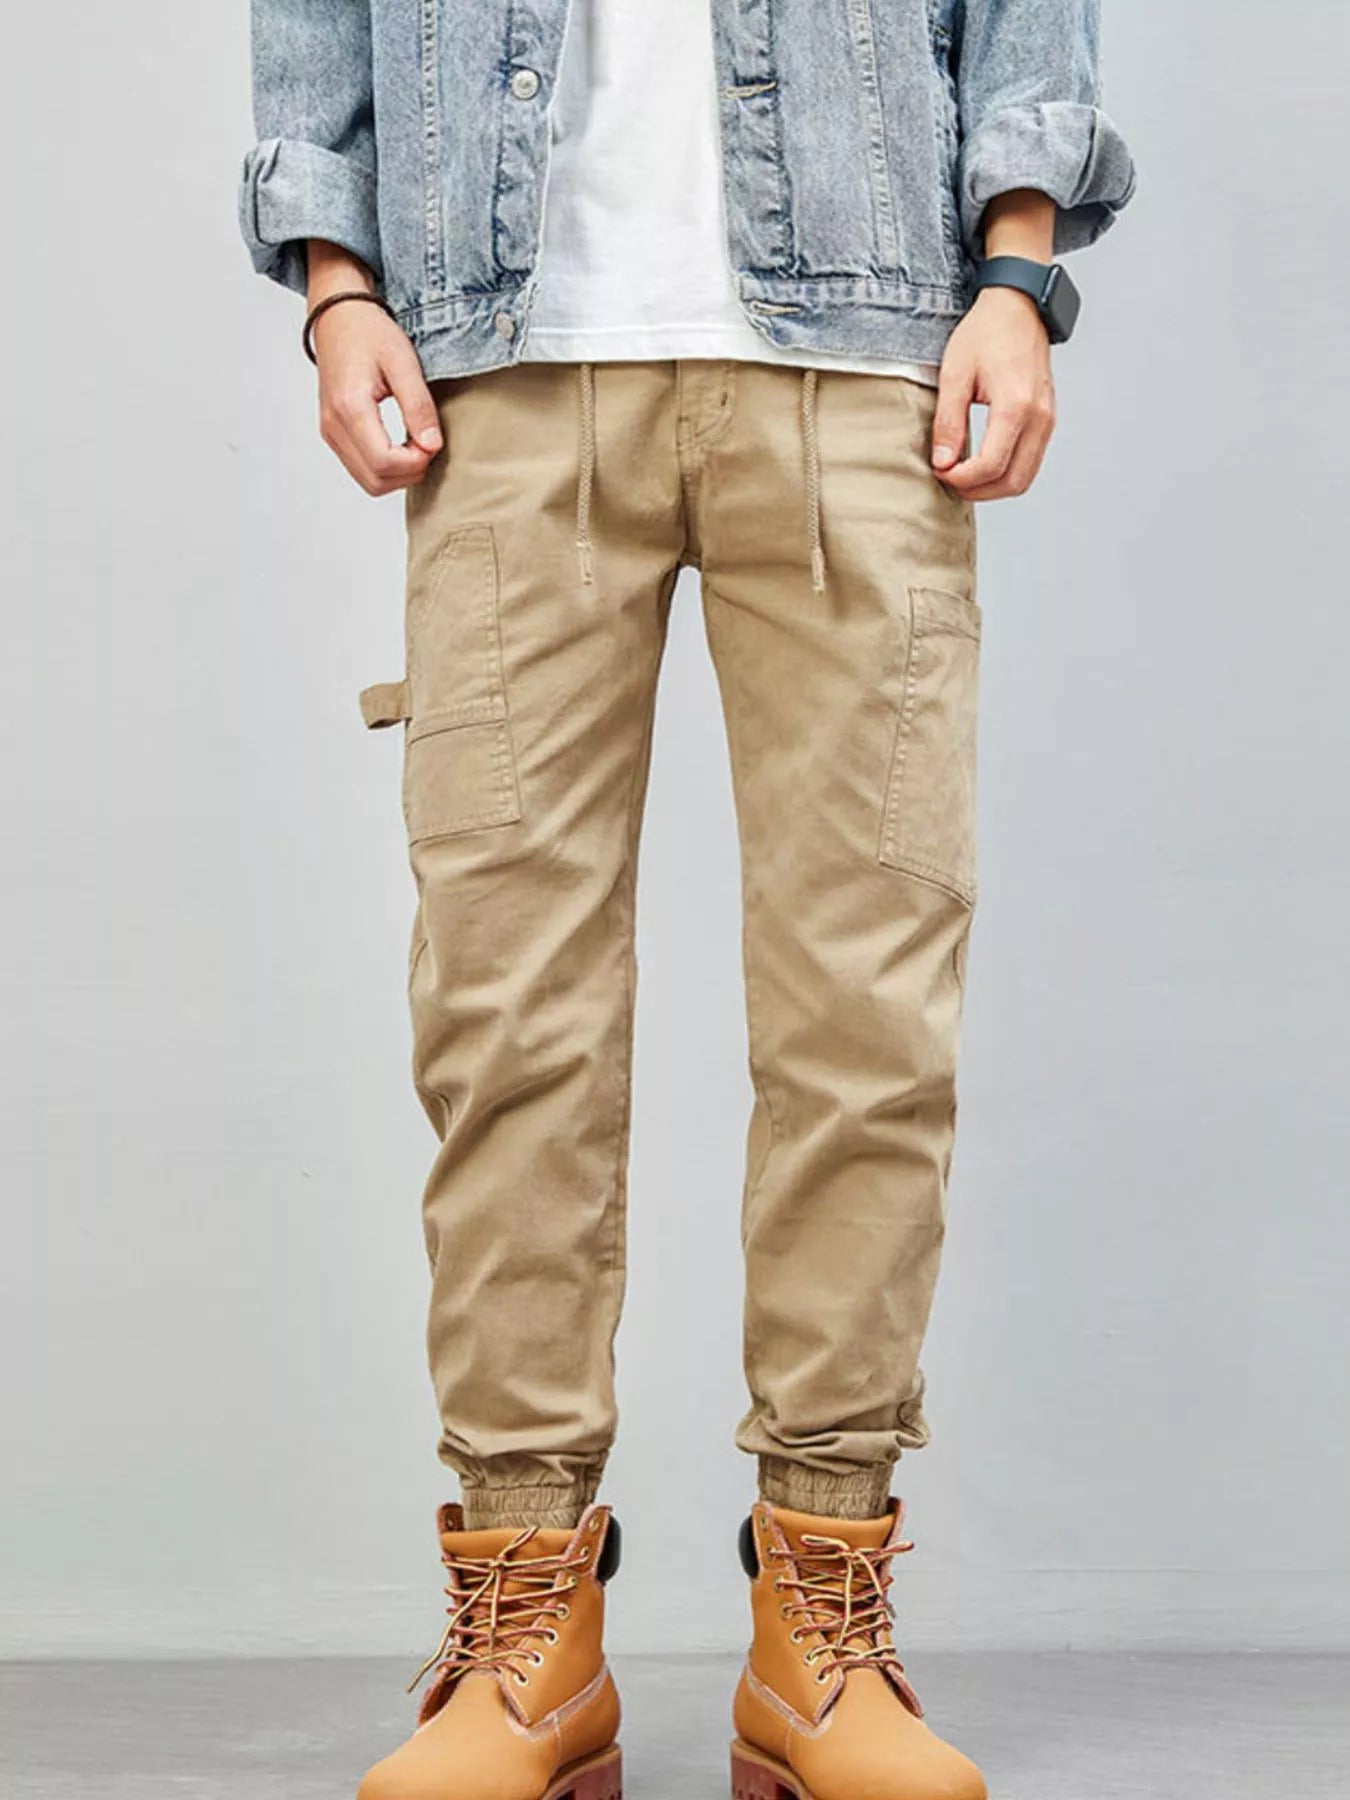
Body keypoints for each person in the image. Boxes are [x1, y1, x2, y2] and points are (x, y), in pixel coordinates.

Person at [241, 4, 1133, 1796]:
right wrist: (338, 287)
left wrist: (1015, 276)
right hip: (501, 367)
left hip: (866, 362)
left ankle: (817, 1631)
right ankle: (526, 1638)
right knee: (505, 1021)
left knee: (866, 1019)